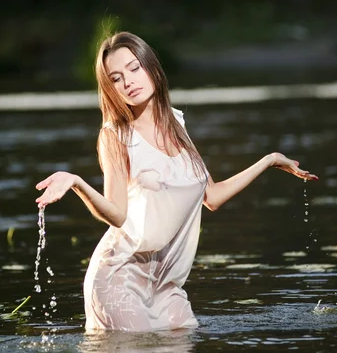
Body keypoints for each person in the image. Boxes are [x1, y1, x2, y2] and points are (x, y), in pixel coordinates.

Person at [35, 32, 318, 332]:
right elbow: (117, 215)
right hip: (119, 278)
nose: (128, 82)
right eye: (116, 78)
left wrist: (270, 160)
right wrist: (77, 182)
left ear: (151, 67)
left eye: (134, 68)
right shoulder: (115, 136)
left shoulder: (175, 122)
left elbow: (212, 196)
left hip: (166, 285)